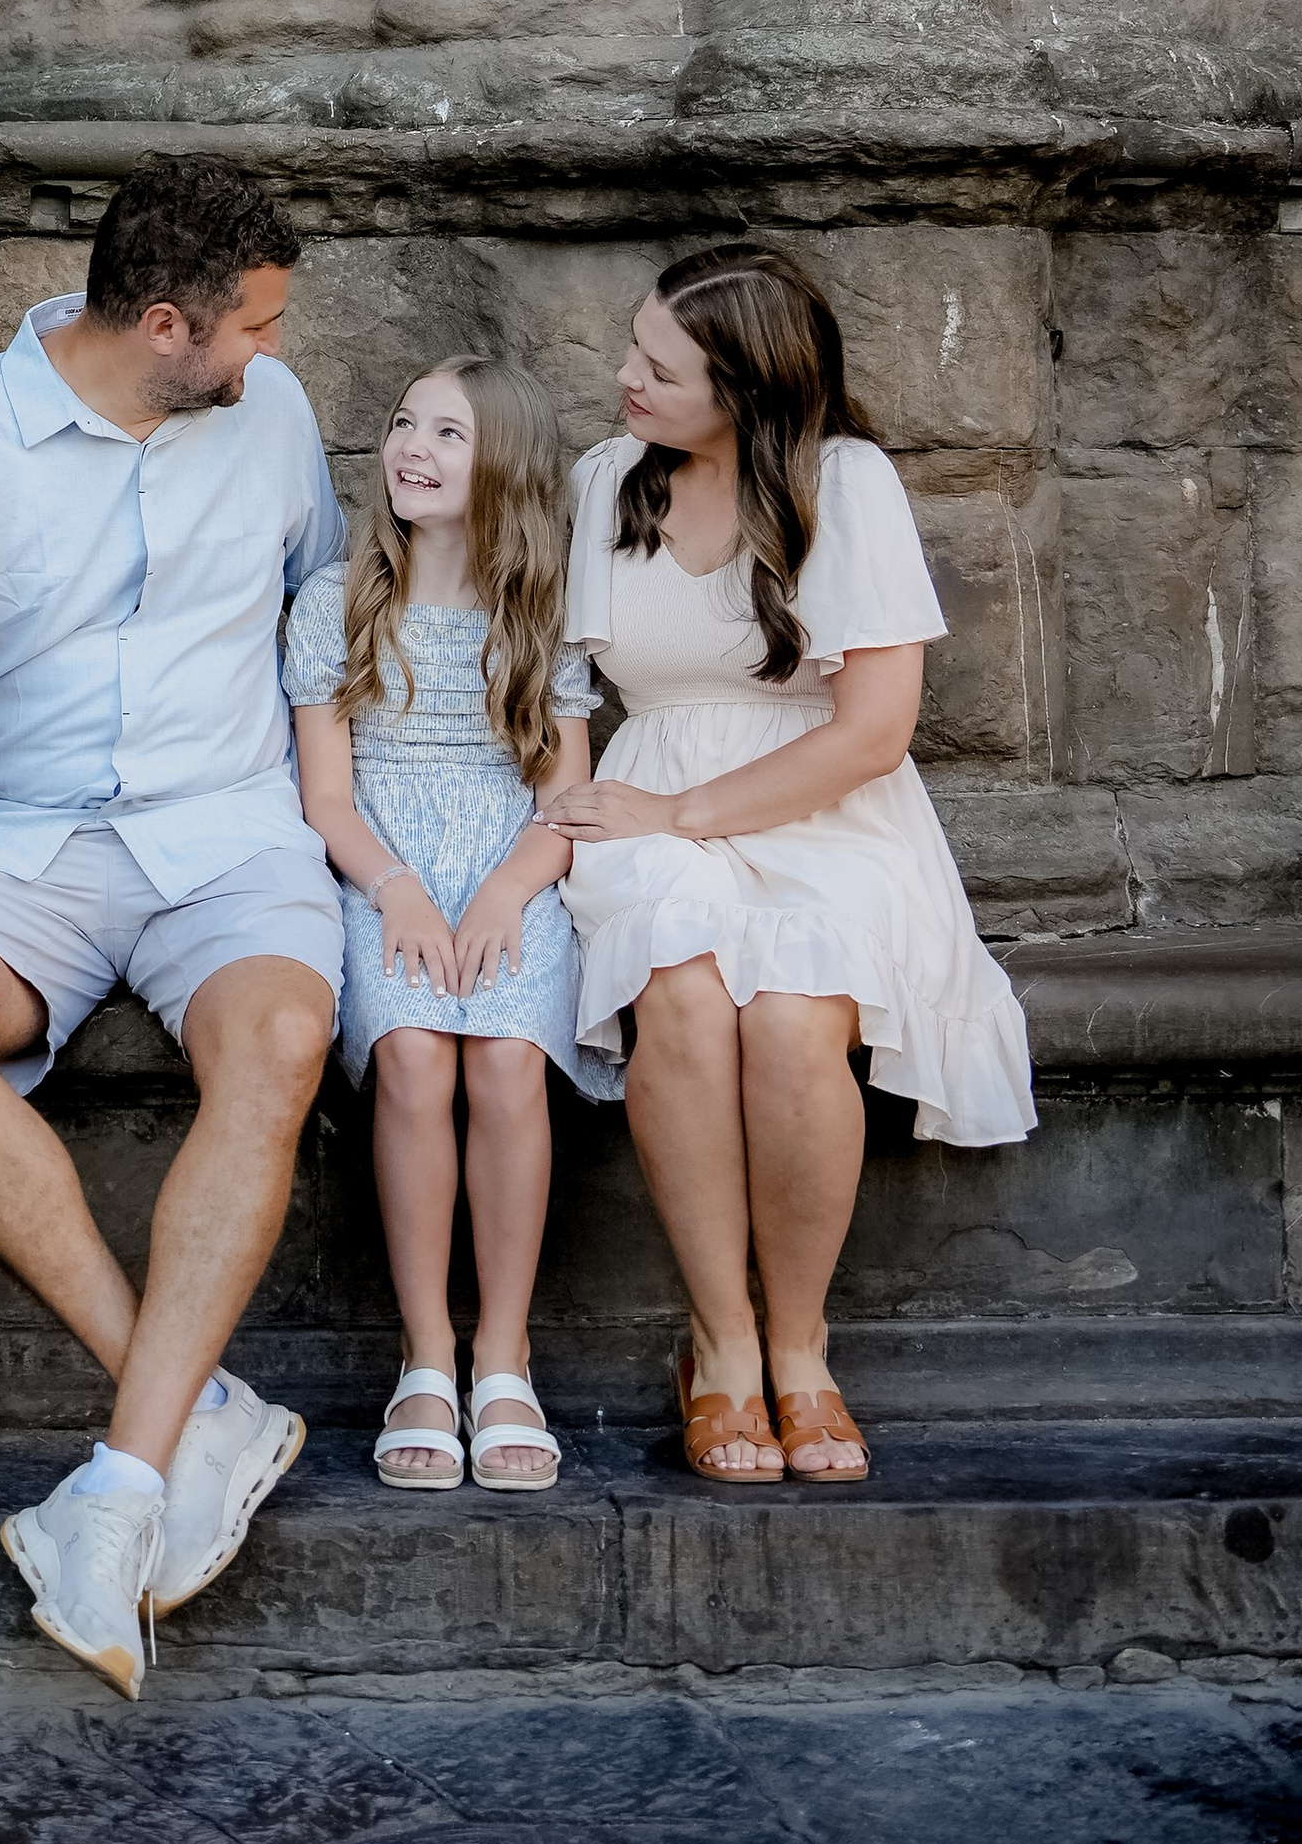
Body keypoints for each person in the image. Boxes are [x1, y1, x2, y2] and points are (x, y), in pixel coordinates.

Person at [0, 157, 347, 1702]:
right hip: (19, 837)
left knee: (278, 1037)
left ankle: (123, 1480)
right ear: (159, 322)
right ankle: (197, 1411)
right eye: (251, 327)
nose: (270, 355)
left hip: (229, 827)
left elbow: (322, 610)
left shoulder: (270, 419)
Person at [550, 243, 1035, 1487]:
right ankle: (718, 1348)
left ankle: (801, 1349)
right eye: (633, 351)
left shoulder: (843, 482)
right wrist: (633, 821)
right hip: (647, 794)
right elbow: (558, 700)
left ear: (746, 392)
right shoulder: (608, 480)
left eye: (657, 368)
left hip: (821, 800)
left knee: (794, 1011)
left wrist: (689, 812)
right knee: (684, 987)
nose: (623, 380)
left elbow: (872, 732)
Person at [286, 358, 618, 1497]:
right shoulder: (335, 603)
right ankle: (426, 1351)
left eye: (448, 434)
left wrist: (502, 892)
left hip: (507, 873)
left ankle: (503, 1354)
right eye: (402, 424)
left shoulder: (541, 618)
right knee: (417, 1059)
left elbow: (562, 804)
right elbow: (326, 798)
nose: (411, 448)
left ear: (506, 472)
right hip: (381, 868)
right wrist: (397, 889)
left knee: (510, 1064)